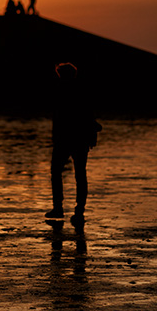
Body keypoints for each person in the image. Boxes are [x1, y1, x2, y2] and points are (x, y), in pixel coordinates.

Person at [46, 63, 101, 227]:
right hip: (79, 140)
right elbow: (89, 116)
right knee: (80, 175)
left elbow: (60, 118)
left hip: (66, 139)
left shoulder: (60, 92)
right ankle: (78, 210)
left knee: (57, 172)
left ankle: (59, 208)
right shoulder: (82, 91)